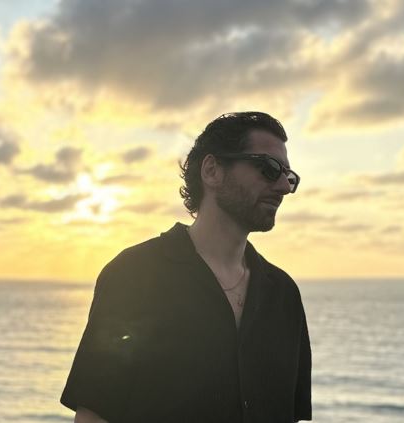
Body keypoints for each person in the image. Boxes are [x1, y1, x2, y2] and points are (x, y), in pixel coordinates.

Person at [61, 112, 311, 423]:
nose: (283, 187)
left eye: (289, 176)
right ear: (212, 170)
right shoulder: (134, 276)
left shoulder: (284, 295)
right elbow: (94, 414)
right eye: (269, 168)